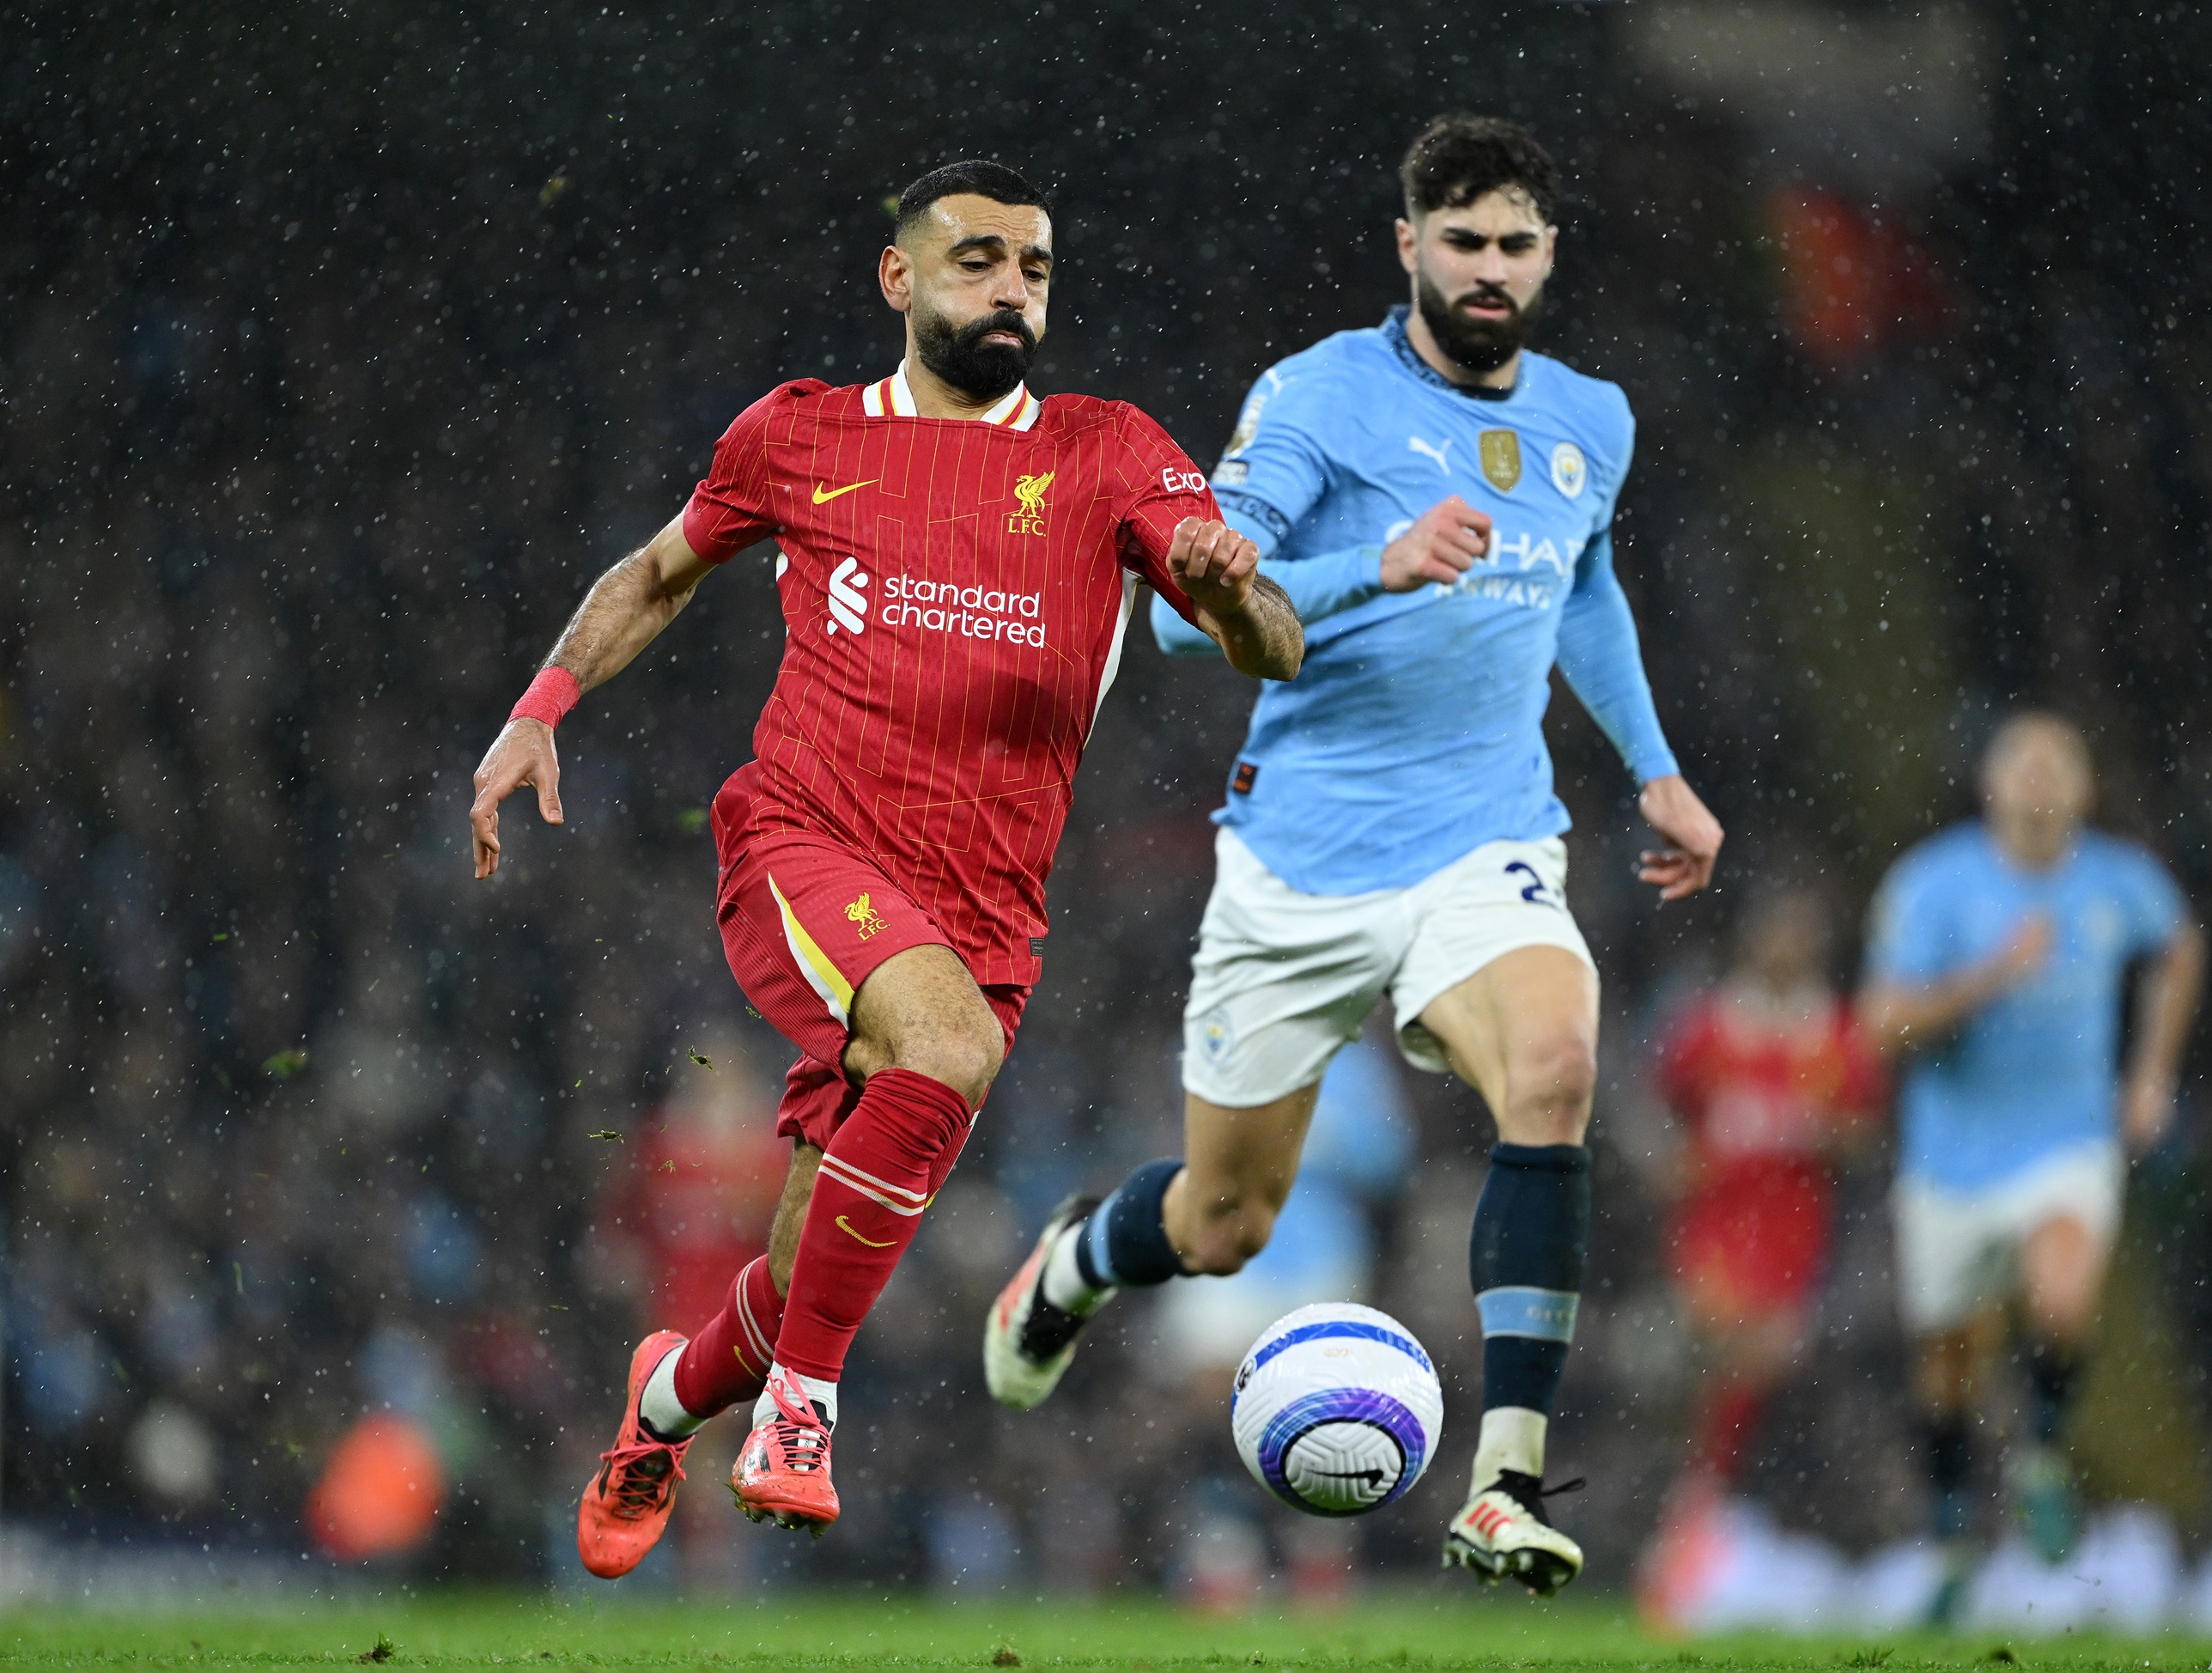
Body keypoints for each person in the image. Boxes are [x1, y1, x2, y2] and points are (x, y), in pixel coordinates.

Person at [467, 159, 1303, 1577]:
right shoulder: (798, 433)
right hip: (805, 839)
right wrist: (537, 710)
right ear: (898, 279)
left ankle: (666, 1399)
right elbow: (662, 569)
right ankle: (800, 1412)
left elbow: (1270, 642)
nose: (1010, 291)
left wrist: (1233, 596)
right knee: (949, 1048)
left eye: (1034, 268)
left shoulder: (1107, 449)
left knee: (804, 1271)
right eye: (977, 261)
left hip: (986, 908)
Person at [982, 114, 1723, 1596]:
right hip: (1300, 867)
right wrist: (1370, 567)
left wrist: (1655, 769)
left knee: (1557, 1072)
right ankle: (1073, 1263)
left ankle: (1504, 1479)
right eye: (1462, 241)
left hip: (1487, 842)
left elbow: (1583, 584)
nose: (1491, 267)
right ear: (1408, 247)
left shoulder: (1592, 417)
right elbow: (1186, 615)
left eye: (1516, 242)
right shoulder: (1317, 401)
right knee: (1222, 1218)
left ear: (1549, 253)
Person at [1858, 713, 2202, 1611]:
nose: (2041, 781)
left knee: (2059, 1295)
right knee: (1948, 1363)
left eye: (2059, 765)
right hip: (1949, 1160)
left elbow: (2178, 947)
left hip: (2065, 1140)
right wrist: (1987, 977)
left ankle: (2042, 1452)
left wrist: (2149, 1075)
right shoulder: (1932, 886)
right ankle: (1948, 1533)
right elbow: (1879, 1025)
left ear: (2082, 790)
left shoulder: (2114, 880)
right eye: (2024, 765)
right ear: (1989, 785)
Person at [1635, 887, 1882, 1627]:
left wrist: (1820, 1131)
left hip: (1798, 1241)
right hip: (1714, 1232)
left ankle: (1708, 1516)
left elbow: (1866, 1132)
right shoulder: (1708, 1029)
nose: (1785, 951)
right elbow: (1648, 1108)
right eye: (1775, 935)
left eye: (1799, 938)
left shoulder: (1835, 1035)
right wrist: (1669, 1160)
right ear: (1751, 942)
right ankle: (1700, 1512)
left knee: (1754, 1375)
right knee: (1730, 1353)